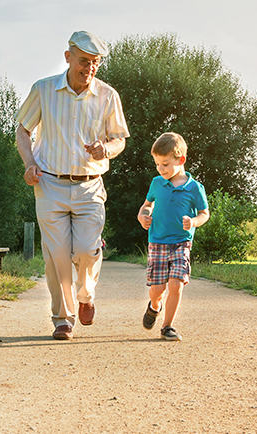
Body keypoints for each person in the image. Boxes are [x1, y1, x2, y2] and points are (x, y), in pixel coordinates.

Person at [15, 30, 130, 340]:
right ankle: (63, 319)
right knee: (57, 256)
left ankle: (86, 294)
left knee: (87, 250)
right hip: (50, 183)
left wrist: (106, 149)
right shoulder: (43, 90)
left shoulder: (108, 96)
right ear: (68, 57)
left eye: (95, 63)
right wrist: (29, 163)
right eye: (83, 61)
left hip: (90, 186)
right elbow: (23, 131)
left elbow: (119, 139)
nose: (89, 69)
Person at [136, 132, 210, 341]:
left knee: (176, 284)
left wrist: (194, 222)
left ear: (181, 160)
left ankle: (167, 326)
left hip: (181, 242)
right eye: (158, 164)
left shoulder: (195, 188)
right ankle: (154, 306)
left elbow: (205, 213)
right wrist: (143, 216)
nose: (161, 169)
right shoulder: (157, 183)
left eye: (166, 164)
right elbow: (147, 205)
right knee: (157, 289)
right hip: (157, 241)